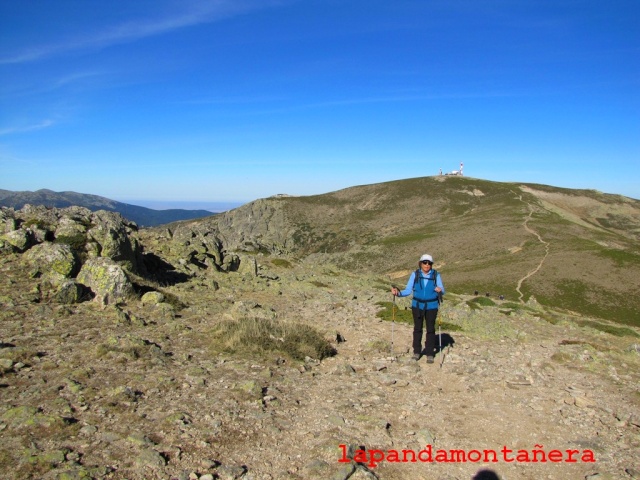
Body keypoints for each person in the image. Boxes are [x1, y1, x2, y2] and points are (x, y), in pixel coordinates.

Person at [391, 254, 445, 363]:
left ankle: (429, 353)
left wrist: (440, 290)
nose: (427, 265)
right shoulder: (415, 274)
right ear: (420, 263)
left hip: (432, 306)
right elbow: (407, 290)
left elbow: (442, 290)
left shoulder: (436, 275)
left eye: (429, 263)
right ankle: (417, 351)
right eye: (425, 262)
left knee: (430, 329)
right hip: (417, 306)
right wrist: (398, 293)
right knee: (417, 329)